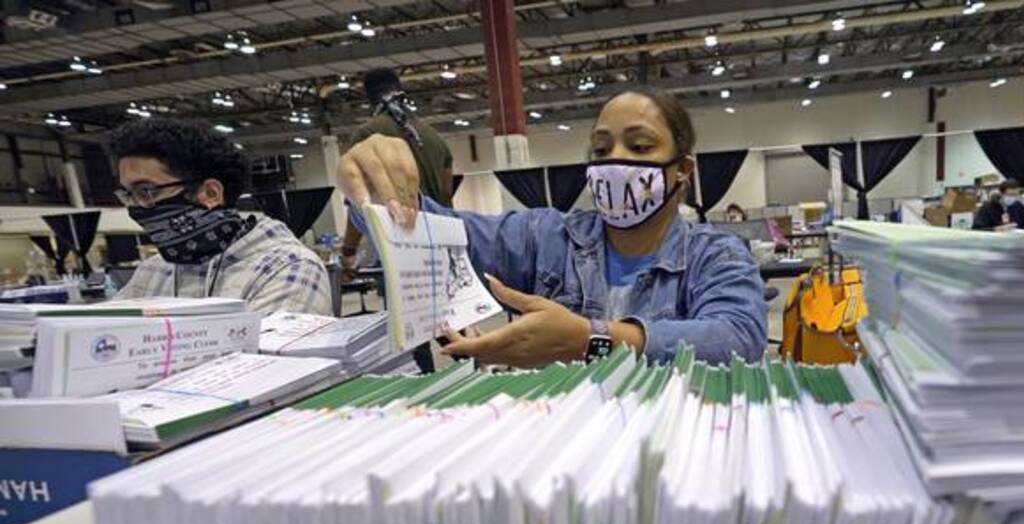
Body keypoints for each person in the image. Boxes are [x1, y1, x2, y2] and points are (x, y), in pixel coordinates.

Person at [338, 87, 766, 367]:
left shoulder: (716, 254)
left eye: (639, 146)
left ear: (681, 171)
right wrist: (375, 195)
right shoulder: (545, 237)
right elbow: (436, 232)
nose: (615, 160)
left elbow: (737, 338)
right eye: (601, 149)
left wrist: (589, 339)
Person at [111, 118, 331, 313]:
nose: (137, 207)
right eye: (128, 195)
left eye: (146, 191)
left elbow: (260, 359)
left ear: (211, 193)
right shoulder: (153, 270)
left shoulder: (286, 268)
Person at [341, 67, 454, 371]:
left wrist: (349, 251)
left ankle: (427, 391)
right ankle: (474, 369)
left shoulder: (365, 137)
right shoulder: (434, 138)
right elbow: (447, 197)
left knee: (411, 335)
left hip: (399, 251)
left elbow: (360, 204)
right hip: (437, 246)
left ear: (368, 96)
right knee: (451, 324)